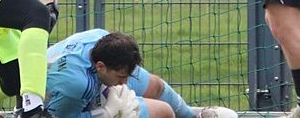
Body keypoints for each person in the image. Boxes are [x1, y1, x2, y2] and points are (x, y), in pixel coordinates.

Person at [44, 29, 238, 118]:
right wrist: (106, 113)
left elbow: (123, 74)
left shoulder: (100, 39)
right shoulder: (73, 87)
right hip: (69, 106)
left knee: (155, 85)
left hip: (95, 81)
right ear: (101, 66)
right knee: (164, 112)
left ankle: (191, 115)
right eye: (121, 77)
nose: (125, 82)